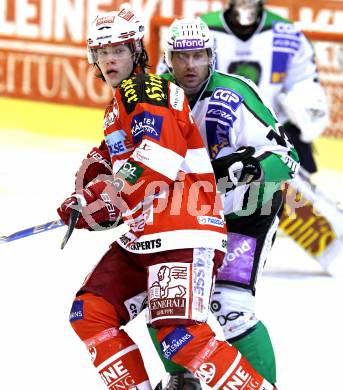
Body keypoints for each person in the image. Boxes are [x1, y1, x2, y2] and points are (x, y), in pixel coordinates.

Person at [57, 8, 276, 390]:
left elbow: (157, 157)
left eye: (119, 50)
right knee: (89, 311)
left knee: (180, 334)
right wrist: (86, 192)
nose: (110, 59)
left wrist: (108, 198)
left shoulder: (146, 90)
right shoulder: (122, 103)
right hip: (144, 235)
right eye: (102, 51)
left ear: (137, 49)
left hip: (182, 231)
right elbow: (111, 157)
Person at [150, 17, 299, 389]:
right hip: (185, 217)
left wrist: (245, 167)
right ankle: (182, 379)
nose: (189, 66)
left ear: (211, 56)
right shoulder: (156, 94)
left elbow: (286, 159)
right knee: (164, 301)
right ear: (167, 58)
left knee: (231, 308)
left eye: (198, 55)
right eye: (181, 57)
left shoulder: (235, 94)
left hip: (245, 213)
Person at [200, 0, 329, 174]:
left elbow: (304, 82)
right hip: (214, 133)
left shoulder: (287, 33)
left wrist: (304, 102)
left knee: (296, 199)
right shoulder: (203, 28)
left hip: (276, 132)